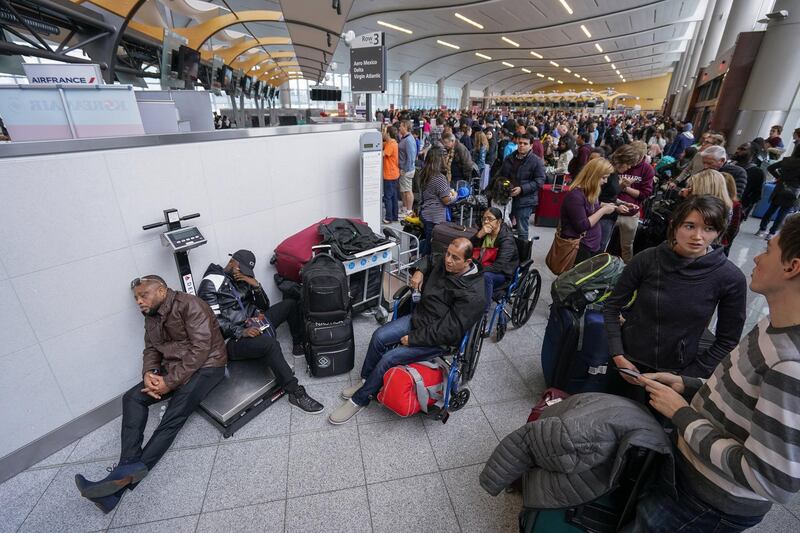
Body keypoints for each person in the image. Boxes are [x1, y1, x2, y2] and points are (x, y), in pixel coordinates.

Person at [626, 213, 800, 533]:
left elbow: (771, 480)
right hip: (688, 470)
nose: (758, 256)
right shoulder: (774, 325)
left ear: (792, 266)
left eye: (769, 249)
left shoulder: (792, 366)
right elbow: (745, 397)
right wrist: (688, 385)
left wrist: (681, 415)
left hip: (706, 503)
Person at [74, 276, 228, 513]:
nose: (139, 301)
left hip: (208, 365)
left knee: (174, 415)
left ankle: (117, 488)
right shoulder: (151, 317)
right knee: (132, 397)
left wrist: (169, 382)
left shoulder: (191, 305)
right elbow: (151, 349)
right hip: (173, 368)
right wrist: (150, 372)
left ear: (162, 291)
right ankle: (126, 468)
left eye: (143, 295)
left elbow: (201, 349)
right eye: (136, 298)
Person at [604, 195, 747, 401]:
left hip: (677, 372)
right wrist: (618, 354)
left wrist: (686, 377)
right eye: (690, 226)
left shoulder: (729, 277)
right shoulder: (647, 259)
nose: (698, 236)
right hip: (628, 361)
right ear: (675, 225)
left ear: (718, 233)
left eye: (708, 229)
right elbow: (611, 306)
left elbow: (727, 340)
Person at [328, 238, 485, 424]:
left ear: (468, 262)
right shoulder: (446, 263)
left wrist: (413, 339)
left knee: (390, 358)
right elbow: (429, 259)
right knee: (378, 336)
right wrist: (419, 271)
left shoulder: (473, 294)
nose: (448, 260)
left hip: (438, 338)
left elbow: (448, 331)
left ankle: (360, 400)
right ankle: (366, 381)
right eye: (448, 254)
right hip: (419, 318)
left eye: (455, 258)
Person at [197, 249, 323, 412]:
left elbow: (264, 306)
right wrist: (240, 331)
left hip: (254, 323)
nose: (241, 273)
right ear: (232, 262)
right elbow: (213, 321)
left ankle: (298, 345)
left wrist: (256, 286)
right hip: (232, 338)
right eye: (240, 269)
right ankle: (294, 392)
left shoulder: (243, 279)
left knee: (290, 304)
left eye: (245, 271)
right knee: (270, 344)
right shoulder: (210, 283)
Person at [561, 158, 629, 262]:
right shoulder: (575, 196)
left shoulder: (589, 191)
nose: (605, 181)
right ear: (594, 176)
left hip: (589, 245)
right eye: (603, 178)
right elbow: (582, 226)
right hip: (579, 248)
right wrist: (603, 210)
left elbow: (593, 206)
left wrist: (616, 206)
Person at [496, 133, 546, 241]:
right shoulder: (510, 158)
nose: (522, 145)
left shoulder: (536, 161)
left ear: (531, 145)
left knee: (522, 230)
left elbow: (540, 181)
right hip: (508, 198)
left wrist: (522, 189)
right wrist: (505, 185)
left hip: (525, 200)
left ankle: (522, 256)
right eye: (520, 143)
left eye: (525, 143)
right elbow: (502, 176)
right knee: (504, 227)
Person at [611, 142, 654, 263]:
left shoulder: (647, 169)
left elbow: (645, 194)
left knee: (627, 246)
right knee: (602, 241)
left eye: (638, 158)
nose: (632, 163)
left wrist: (625, 188)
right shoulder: (620, 163)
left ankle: (626, 271)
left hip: (631, 212)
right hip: (612, 207)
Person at [470, 207, 519, 310]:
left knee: (486, 277)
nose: (486, 222)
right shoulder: (485, 232)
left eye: (490, 219)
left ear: (499, 221)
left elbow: (499, 266)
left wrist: (477, 271)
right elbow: (468, 248)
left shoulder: (506, 239)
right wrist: (478, 235)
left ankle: (484, 310)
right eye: (484, 219)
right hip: (485, 264)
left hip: (502, 273)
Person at [419, 147, 456, 255]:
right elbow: (446, 200)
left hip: (425, 212)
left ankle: (417, 258)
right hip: (435, 216)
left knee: (427, 239)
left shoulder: (424, 173)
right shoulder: (439, 177)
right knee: (431, 245)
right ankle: (421, 265)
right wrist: (456, 196)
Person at [756, 153, 800, 239]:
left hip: (780, 187)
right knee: (783, 213)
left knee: (771, 210)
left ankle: (761, 229)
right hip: (793, 191)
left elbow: (770, 168)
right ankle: (771, 234)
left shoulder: (787, 160)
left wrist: (779, 177)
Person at [734, 142, 766, 219]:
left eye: (742, 149)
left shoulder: (757, 172)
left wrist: (743, 207)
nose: (737, 151)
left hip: (737, 208)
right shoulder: (730, 165)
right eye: (738, 148)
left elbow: (756, 195)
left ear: (753, 153)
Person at [398, 120, 418, 217]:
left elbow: (411, 157)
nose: (399, 128)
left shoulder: (409, 140)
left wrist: (404, 170)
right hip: (404, 169)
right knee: (403, 190)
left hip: (407, 170)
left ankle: (409, 211)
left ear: (405, 127)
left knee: (407, 191)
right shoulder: (404, 138)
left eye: (401, 126)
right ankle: (405, 208)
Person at [382, 127, 400, 223]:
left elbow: (382, 154)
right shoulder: (393, 143)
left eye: (384, 132)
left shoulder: (391, 145)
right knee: (394, 196)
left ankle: (388, 218)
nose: (383, 134)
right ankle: (394, 216)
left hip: (389, 175)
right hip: (394, 174)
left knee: (387, 197)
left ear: (388, 134)